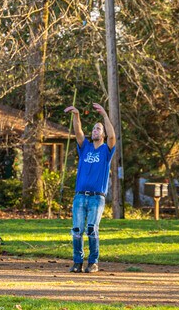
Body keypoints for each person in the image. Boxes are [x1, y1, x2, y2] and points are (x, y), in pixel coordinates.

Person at [64, 102, 116, 273]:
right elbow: (78, 132)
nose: (95, 130)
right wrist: (76, 115)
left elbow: (112, 137)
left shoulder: (105, 151)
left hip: (96, 197)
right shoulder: (85, 147)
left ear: (102, 134)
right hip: (80, 196)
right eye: (94, 128)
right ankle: (77, 262)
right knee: (77, 230)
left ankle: (93, 262)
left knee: (92, 229)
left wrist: (105, 117)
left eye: (98, 129)